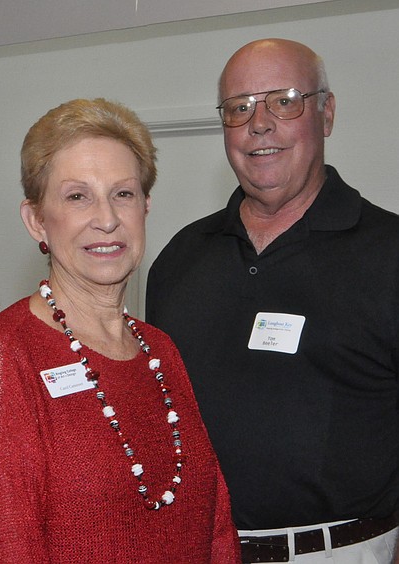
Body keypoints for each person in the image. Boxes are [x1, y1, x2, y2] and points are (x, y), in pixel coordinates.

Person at [0, 98, 240, 562]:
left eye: (123, 193)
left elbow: (217, 528)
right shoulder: (3, 357)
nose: (106, 219)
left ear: (146, 206)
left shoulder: (160, 349)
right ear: (36, 220)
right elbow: (2, 550)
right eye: (77, 196)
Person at [146, 38, 399, 563]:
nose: (259, 123)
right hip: (194, 547)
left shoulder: (389, 253)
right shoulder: (178, 259)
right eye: (239, 108)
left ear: (325, 113)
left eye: (284, 100)